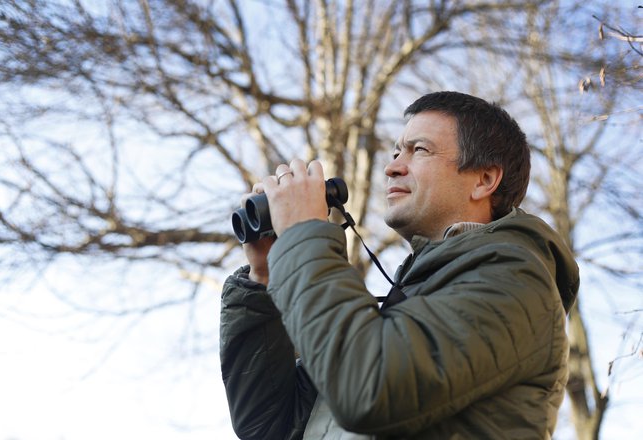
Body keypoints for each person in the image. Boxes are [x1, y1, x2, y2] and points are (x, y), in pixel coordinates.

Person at [220, 91, 579, 439]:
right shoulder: (415, 295)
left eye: (418, 150)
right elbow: (265, 426)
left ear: (484, 180)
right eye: (395, 151)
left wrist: (303, 237)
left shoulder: (515, 281)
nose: (392, 167)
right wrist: (265, 277)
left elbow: (365, 389)